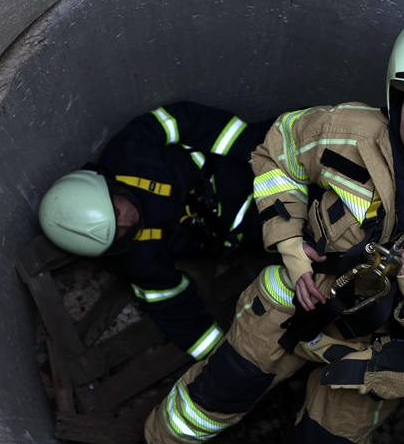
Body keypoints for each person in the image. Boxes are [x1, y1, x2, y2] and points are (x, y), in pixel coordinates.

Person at [100, 0, 404, 444]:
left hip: (370, 355)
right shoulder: (348, 131)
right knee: (216, 391)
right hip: (292, 302)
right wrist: (288, 242)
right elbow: (275, 152)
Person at [38, 102, 272, 361]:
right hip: (259, 228)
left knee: (317, 139)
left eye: (116, 213)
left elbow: (188, 120)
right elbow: (173, 308)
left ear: (104, 184)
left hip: (254, 163)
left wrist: (258, 153)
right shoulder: (135, 255)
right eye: (118, 234)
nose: (128, 222)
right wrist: (224, 361)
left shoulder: (129, 151)